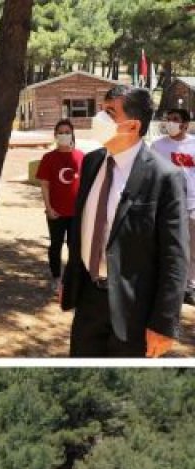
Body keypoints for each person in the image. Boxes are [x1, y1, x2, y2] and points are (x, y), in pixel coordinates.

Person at [61, 85, 189, 358]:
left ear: (132, 126)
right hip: (89, 300)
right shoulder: (92, 163)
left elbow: (175, 257)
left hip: (135, 309)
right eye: (101, 110)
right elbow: (81, 228)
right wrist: (70, 280)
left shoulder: (164, 177)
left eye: (110, 113)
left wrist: (164, 323)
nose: (100, 119)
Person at [151, 107, 195, 307]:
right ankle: (167, 284)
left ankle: (189, 286)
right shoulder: (157, 146)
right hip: (166, 205)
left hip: (192, 205)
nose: (170, 123)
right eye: (168, 119)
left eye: (175, 119)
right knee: (166, 246)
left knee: (191, 248)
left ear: (185, 124)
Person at [36, 120, 84, 298]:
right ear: (55, 135)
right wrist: (48, 208)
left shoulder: (82, 157)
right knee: (55, 246)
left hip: (76, 214)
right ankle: (56, 277)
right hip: (56, 212)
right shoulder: (49, 158)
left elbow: (86, 186)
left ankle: (71, 280)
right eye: (60, 132)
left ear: (72, 134)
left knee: (75, 247)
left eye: (67, 132)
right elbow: (45, 184)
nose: (64, 135)